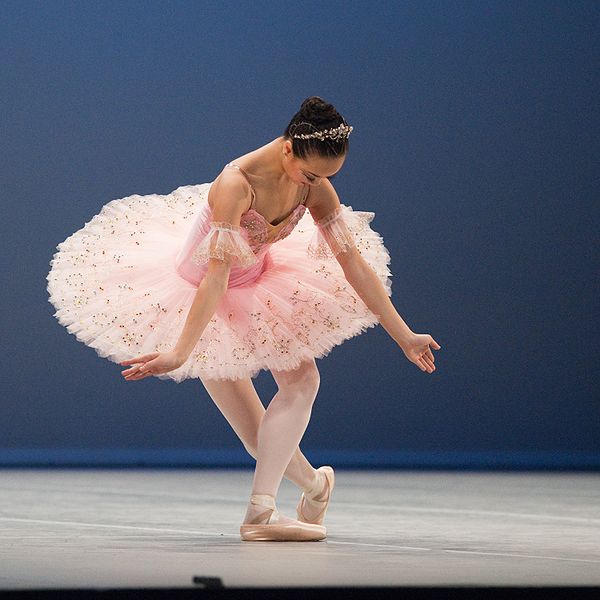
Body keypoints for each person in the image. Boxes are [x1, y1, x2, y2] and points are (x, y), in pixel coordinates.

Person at [47, 95, 441, 542]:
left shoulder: (315, 185)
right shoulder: (236, 183)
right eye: (312, 174)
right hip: (201, 297)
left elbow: (352, 263)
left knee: (301, 381)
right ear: (288, 147)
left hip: (261, 287)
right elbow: (215, 278)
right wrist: (180, 351)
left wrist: (404, 334)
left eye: (328, 177)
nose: (319, 184)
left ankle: (259, 514)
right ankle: (316, 484)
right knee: (257, 438)